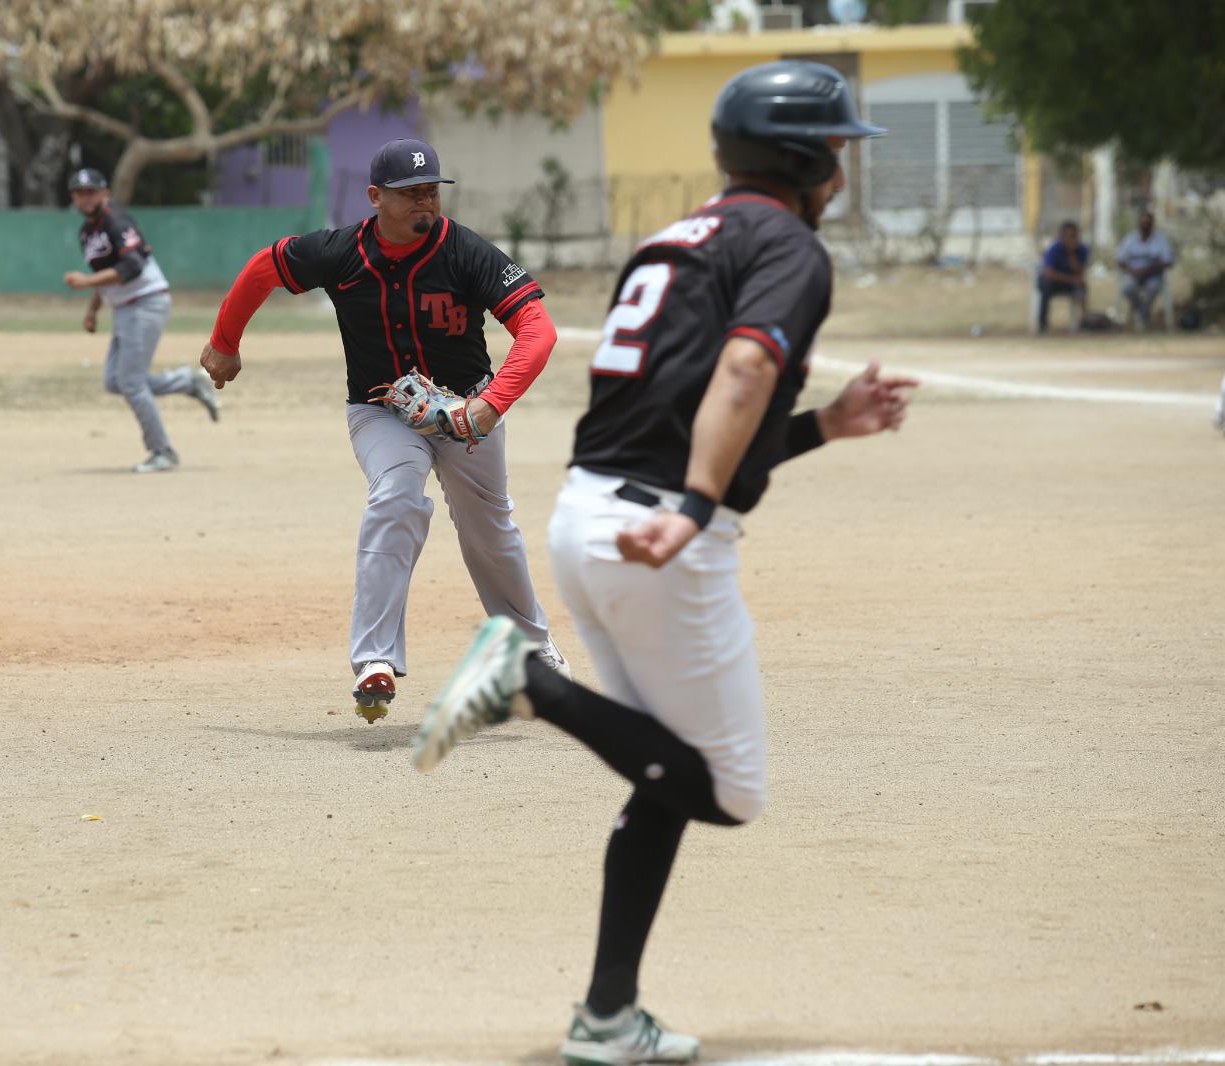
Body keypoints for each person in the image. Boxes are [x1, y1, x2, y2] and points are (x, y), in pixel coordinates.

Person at [410, 62, 918, 1065]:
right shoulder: (787, 245)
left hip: (592, 519)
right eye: (837, 150)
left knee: (661, 773)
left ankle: (605, 1015)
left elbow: (693, 410)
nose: (844, 170)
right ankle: (523, 682)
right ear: (804, 157)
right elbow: (742, 370)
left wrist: (823, 426)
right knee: (727, 790)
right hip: (657, 538)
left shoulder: (677, 238)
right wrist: (692, 509)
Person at [199, 138, 568, 720]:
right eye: (409, 194)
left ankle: (531, 647)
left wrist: (490, 405)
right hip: (381, 412)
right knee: (395, 495)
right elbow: (264, 267)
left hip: (466, 409)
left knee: (489, 531)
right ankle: (374, 661)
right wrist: (225, 341)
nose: (425, 203)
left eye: (431, 192)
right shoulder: (341, 252)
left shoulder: (465, 252)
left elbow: (538, 330)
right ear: (375, 198)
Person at [63, 167, 218, 473]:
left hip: (147, 302)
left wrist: (85, 282)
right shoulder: (87, 233)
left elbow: (132, 265)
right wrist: (93, 309)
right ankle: (188, 382)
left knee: (131, 382)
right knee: (115, 381)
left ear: (105, 193)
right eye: (80, 193)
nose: (86, 197)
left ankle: (163, 452)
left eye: (91, 191)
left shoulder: (117, 222)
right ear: (74, 199)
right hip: (124, 307)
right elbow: (105, 277)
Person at [1115, 210, 1176, 330]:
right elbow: (1120, 259)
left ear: (1152, 224)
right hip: (1134, 274)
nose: (1145, 226)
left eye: (1148, 223)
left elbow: (1168, 261)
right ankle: (1142, 312)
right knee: (1128, 288)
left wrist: (1150, 269)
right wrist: (1132, 270)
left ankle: (1141, 315)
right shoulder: (1130, 238)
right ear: (1138, 223)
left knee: (1152, 289)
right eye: (1143, 223)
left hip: (1153, 275)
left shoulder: (1160, 240)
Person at [1036, 220, 1090, 334]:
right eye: (1070, 236)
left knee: (1082, 287)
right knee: (1046, 285)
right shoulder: (1054, 249)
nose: (1073, 239)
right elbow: (1048, 273)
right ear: (1062, 237)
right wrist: (1070, 279)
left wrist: (1071, 254)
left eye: (1075, 236)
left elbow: (1080, 271)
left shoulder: (1082, 250)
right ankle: (1042, 325)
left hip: (1069, 283)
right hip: (1052, 282)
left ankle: (1084, 322)